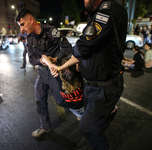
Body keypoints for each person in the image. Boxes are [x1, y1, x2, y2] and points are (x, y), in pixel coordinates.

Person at [50, 0, 127, 149]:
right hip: (93, 87)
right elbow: (94, 49)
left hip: (103, 88)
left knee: (87, 128)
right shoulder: (98, 12)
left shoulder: (107, 10)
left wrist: (78, 53)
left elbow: (86, 43)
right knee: (92, 126)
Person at [15, 8, 72, 138]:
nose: (22, 29)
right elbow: (31, 59)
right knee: (39, 102)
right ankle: (45, 127)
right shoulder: (29, 38)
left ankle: (81, 112)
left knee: (61, 101)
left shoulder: (51, 31)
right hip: (41, 73)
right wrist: (41, 60)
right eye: (20, 26)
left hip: (55, 72)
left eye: (22, 24)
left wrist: (55, 59)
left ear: (31, 20)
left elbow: (67, 48)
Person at [42, 55, 84, 121]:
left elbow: (44, 58)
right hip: (83, 106)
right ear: (76, 69)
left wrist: (51, 65)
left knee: (80, 116)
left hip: (72, 108)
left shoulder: (58, 77)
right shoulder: (80, 76)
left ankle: (80, 117)